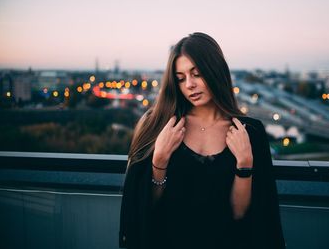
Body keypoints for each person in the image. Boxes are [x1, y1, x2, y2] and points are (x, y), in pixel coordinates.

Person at [119, 32, 286, 249]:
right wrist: (159, 159)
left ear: (215, 71)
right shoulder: (157, 125)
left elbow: (241, 214)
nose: (189, 84)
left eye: (196, 74)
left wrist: (244, 164)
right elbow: (143, 209)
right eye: (180, 78)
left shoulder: (250, 132)